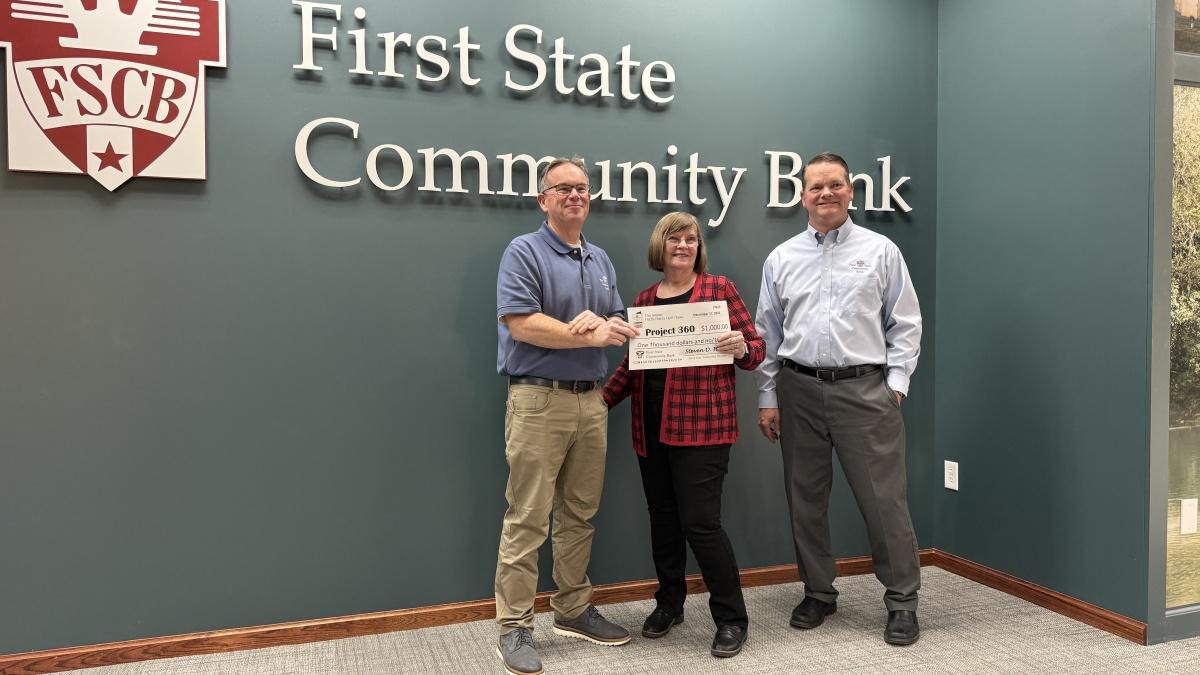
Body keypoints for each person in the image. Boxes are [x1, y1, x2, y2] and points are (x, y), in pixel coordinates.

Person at [754, 152, 923, 646]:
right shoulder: (782, 258)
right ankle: (819, 592)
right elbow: (768, 332)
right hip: (798, 388)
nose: (825, 194)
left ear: (851, 191)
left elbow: (906, 322)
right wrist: (769, 396)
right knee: (805, 498)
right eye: (815, 187)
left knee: (884, 501)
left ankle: (902, 601)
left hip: (865, 390)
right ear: (802, 195)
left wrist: (895, 384)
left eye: (835, 185)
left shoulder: (880, 251)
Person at [598, 211, 765, 658]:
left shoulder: (719, 290)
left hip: (703, 428)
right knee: (663, 521)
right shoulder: (645, 300)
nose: (684, 245)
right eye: (675, 238)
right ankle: (669, 603)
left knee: (701, 525)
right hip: (650, 430)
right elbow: (633, 366)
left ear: (698, 247)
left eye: (691, 238)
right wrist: (597, 402)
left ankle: (732, 618)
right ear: (661, 245)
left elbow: (756, 351)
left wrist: (741, 347)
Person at [494, 157, 638, 675]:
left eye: (582, 188)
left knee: (579, 514)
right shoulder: (524, 251)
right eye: (563, 188)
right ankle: (513, 627)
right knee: (528, 516)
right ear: (543, 199)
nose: (575, 195)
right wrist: (587, 333)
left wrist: (608, 324)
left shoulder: (599, 258)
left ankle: (572, 609)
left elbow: (618, 317)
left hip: (591, 400)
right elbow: (521, 325)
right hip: (538, 400)